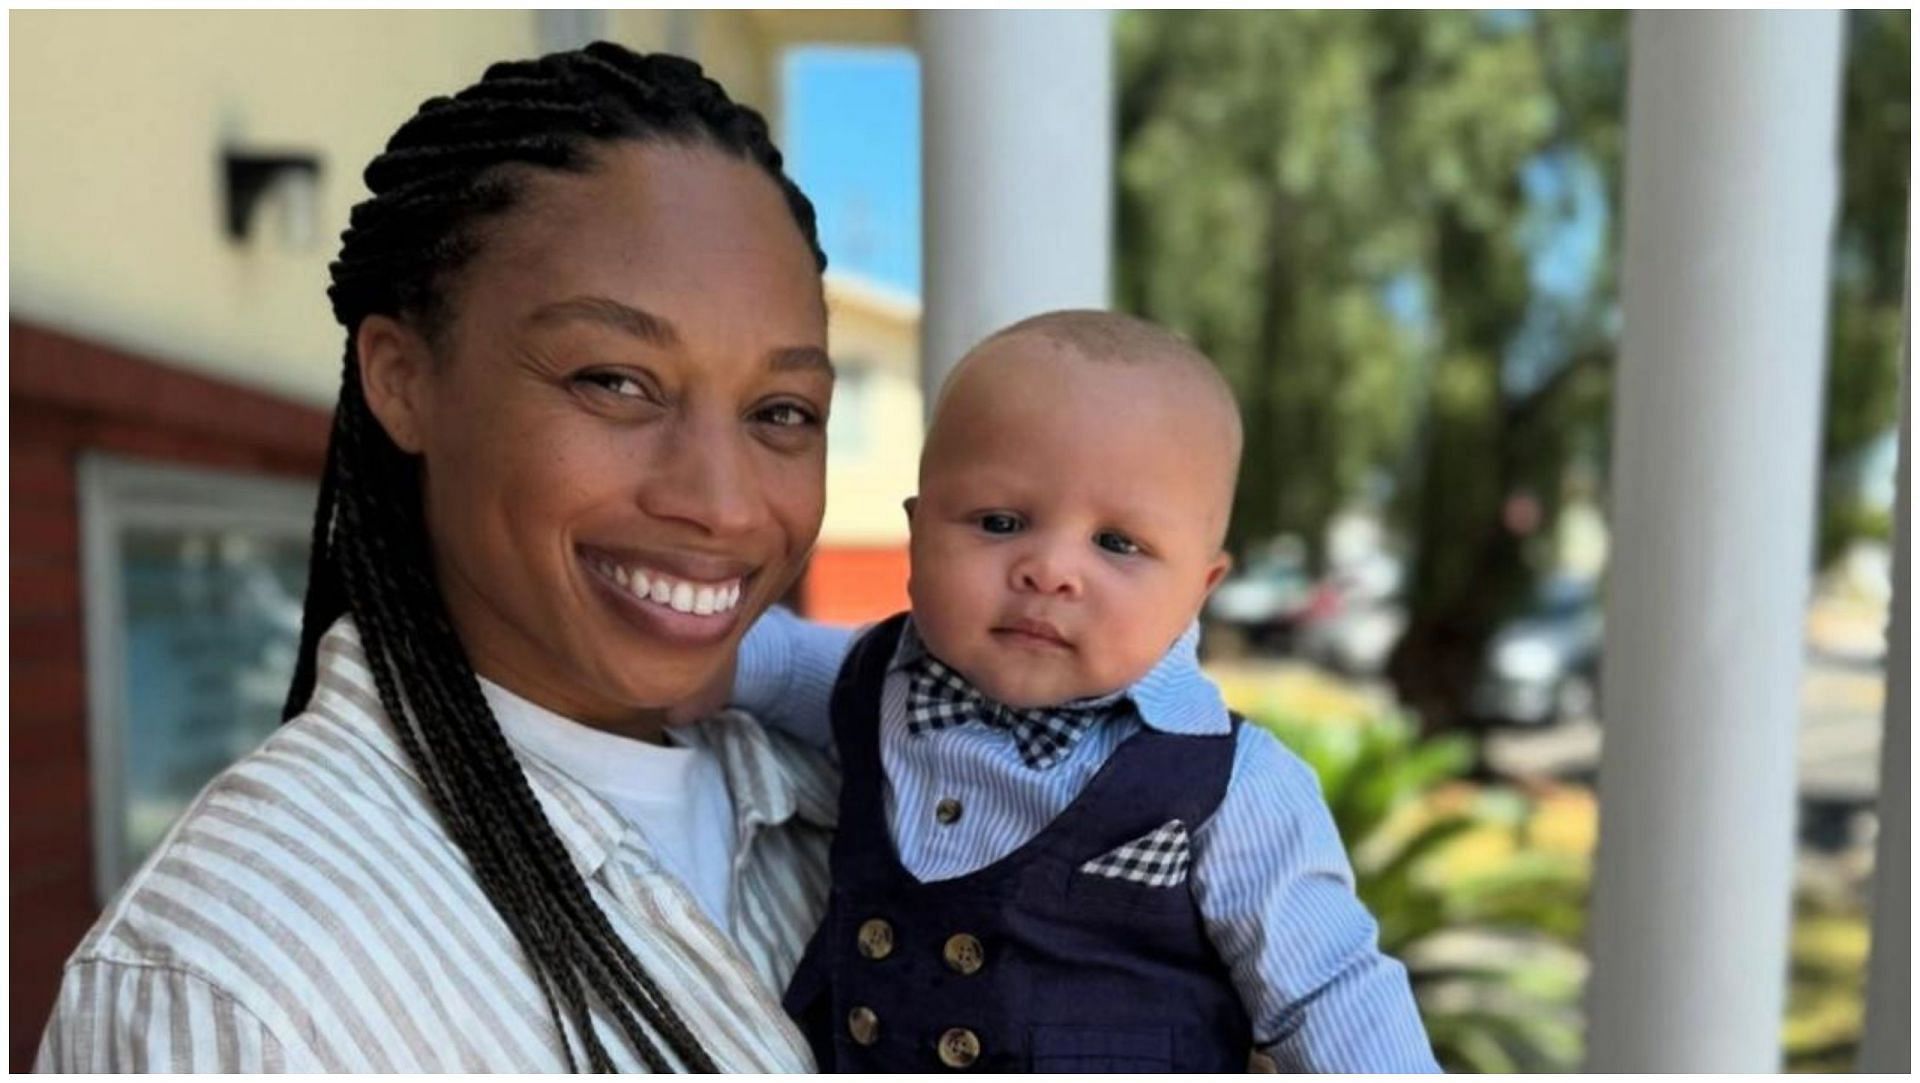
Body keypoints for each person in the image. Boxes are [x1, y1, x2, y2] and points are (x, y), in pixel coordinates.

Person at [36, 43, 842, 1072]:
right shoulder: (240, 985)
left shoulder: (873, 806)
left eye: (782, 411)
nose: (721, 503)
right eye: (615, 381)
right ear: (404, 378)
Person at [732, 310, 1442, 1072]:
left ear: (1198, 589)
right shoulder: (871, 685)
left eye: (1117, 543)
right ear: (918, 534)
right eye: (999, 521)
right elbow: (737, 655)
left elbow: (1330, 990)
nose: (1050, 570)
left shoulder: (1229, 786)